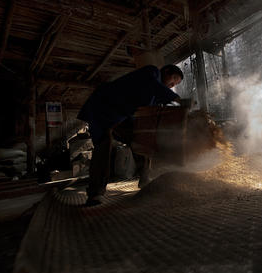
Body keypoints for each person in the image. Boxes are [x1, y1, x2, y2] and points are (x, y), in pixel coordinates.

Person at [78, 64, 183, 206]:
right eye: (174, 79)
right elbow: (153, 86)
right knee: (103, 145)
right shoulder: (151, 73)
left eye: (175, 85)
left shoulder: (156, 95)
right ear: (166, 71)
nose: (171, 85)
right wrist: (177, 99)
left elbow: (153, 111)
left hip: (122, 115)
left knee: (141, 140)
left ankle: (145, 181)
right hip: (102, 107)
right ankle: (95, 194)